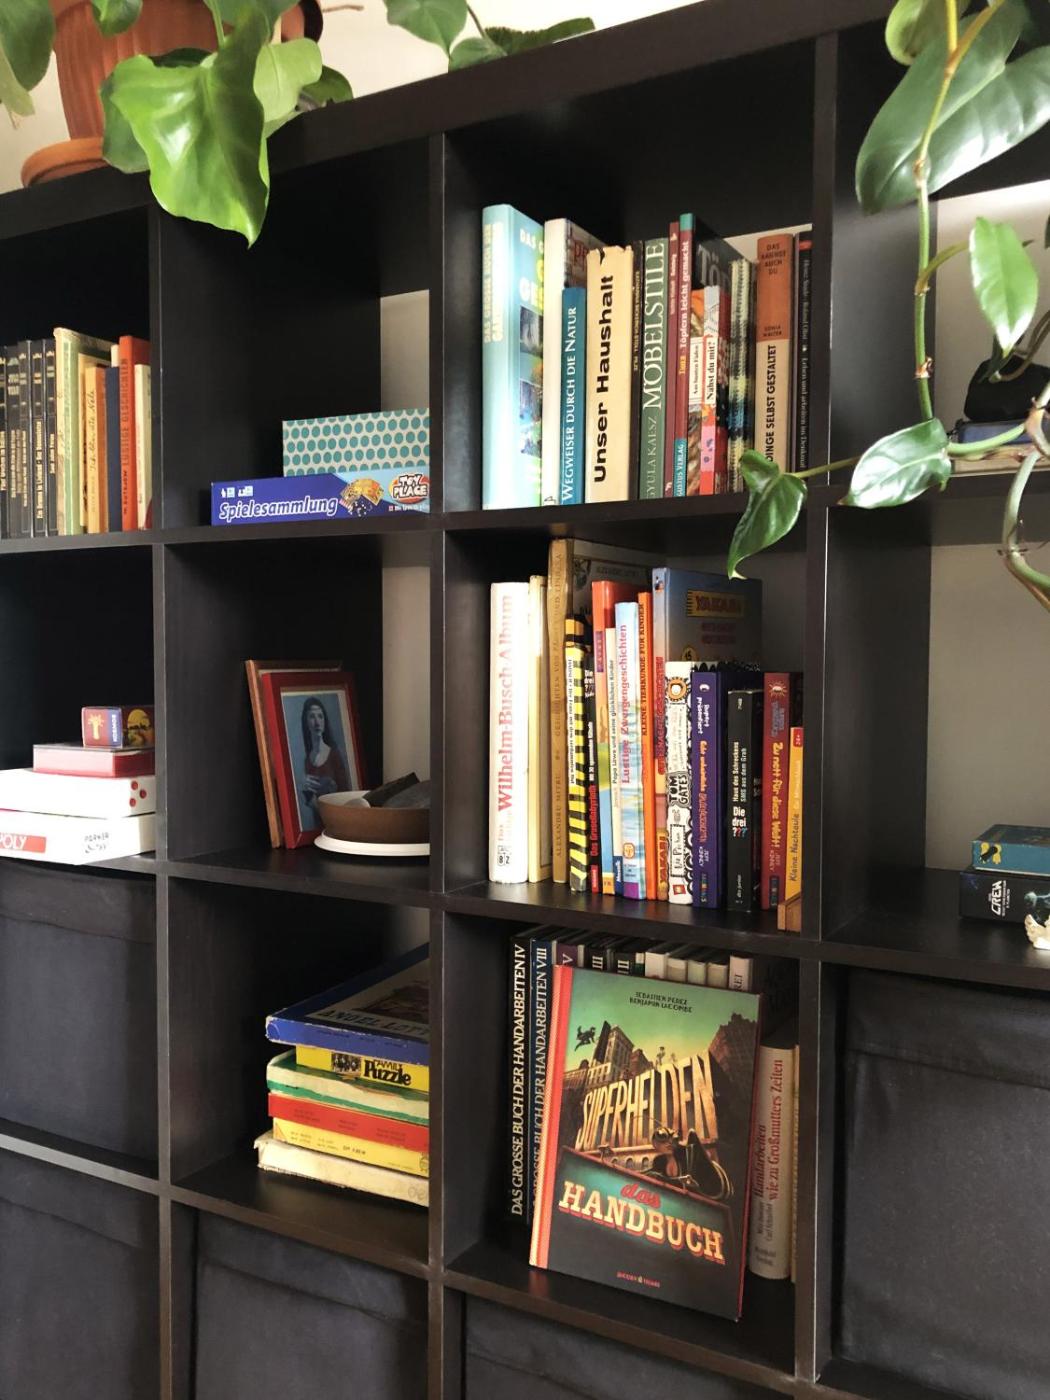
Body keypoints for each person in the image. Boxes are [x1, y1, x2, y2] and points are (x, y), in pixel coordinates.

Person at [299, 696, 349, 824]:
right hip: (317, 824)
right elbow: (309, 800)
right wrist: (304, 791)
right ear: (306, 722)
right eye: (312, 717)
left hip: (337, 822)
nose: (317, 722)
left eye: (320, 716)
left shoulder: (334, 755)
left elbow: (345, 795)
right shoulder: (307, 760)